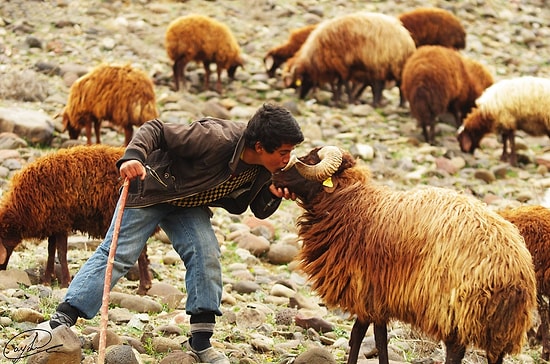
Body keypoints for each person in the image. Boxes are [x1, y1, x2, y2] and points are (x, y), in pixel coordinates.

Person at [36, 103, 304, 364]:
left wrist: (273, 195)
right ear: (259, 147)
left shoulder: (265, 168)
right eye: (283, 151)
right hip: (153, 189)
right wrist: (133, 157)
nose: (287, 158)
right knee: (118, 254)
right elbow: (157, 129)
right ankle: (61, 321)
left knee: (205, 252)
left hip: (188, 203)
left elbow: (258, 208)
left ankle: (200, 343)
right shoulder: (215, 138)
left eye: (290, 151)